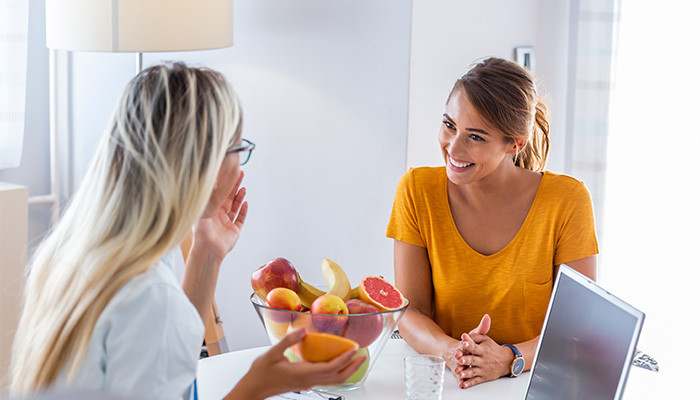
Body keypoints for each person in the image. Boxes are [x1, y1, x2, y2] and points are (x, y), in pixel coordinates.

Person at [10, 62, 364, 400]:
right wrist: (257, 385)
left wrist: (207, 253)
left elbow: (166, 359)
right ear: (200, 164)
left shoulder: (78, 252)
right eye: (238, 148)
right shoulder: (149, 296)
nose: (240, 167)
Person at [386, 57, 598, 389]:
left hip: (533, 383)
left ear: (515, 144)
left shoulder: (567, 201)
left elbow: (577, 327)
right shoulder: (416, 190)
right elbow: (410, 311)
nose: (453, 147)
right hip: (451, 382)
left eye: (476, 137)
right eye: (449, 125)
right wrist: (452, 351)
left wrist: (509, 358)